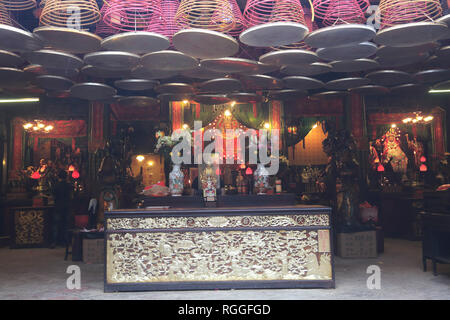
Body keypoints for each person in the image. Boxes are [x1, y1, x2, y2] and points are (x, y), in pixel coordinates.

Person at [50, 170, 73, 248]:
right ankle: (66, 242)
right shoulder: (69, 185)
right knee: (66, 225)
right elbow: (72, 195)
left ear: (58, 176)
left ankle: (54, 242)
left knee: (56, 225)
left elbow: (52, 196)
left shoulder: (56, 186)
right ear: (66, 176)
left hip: (58, 207)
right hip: (67, 207)